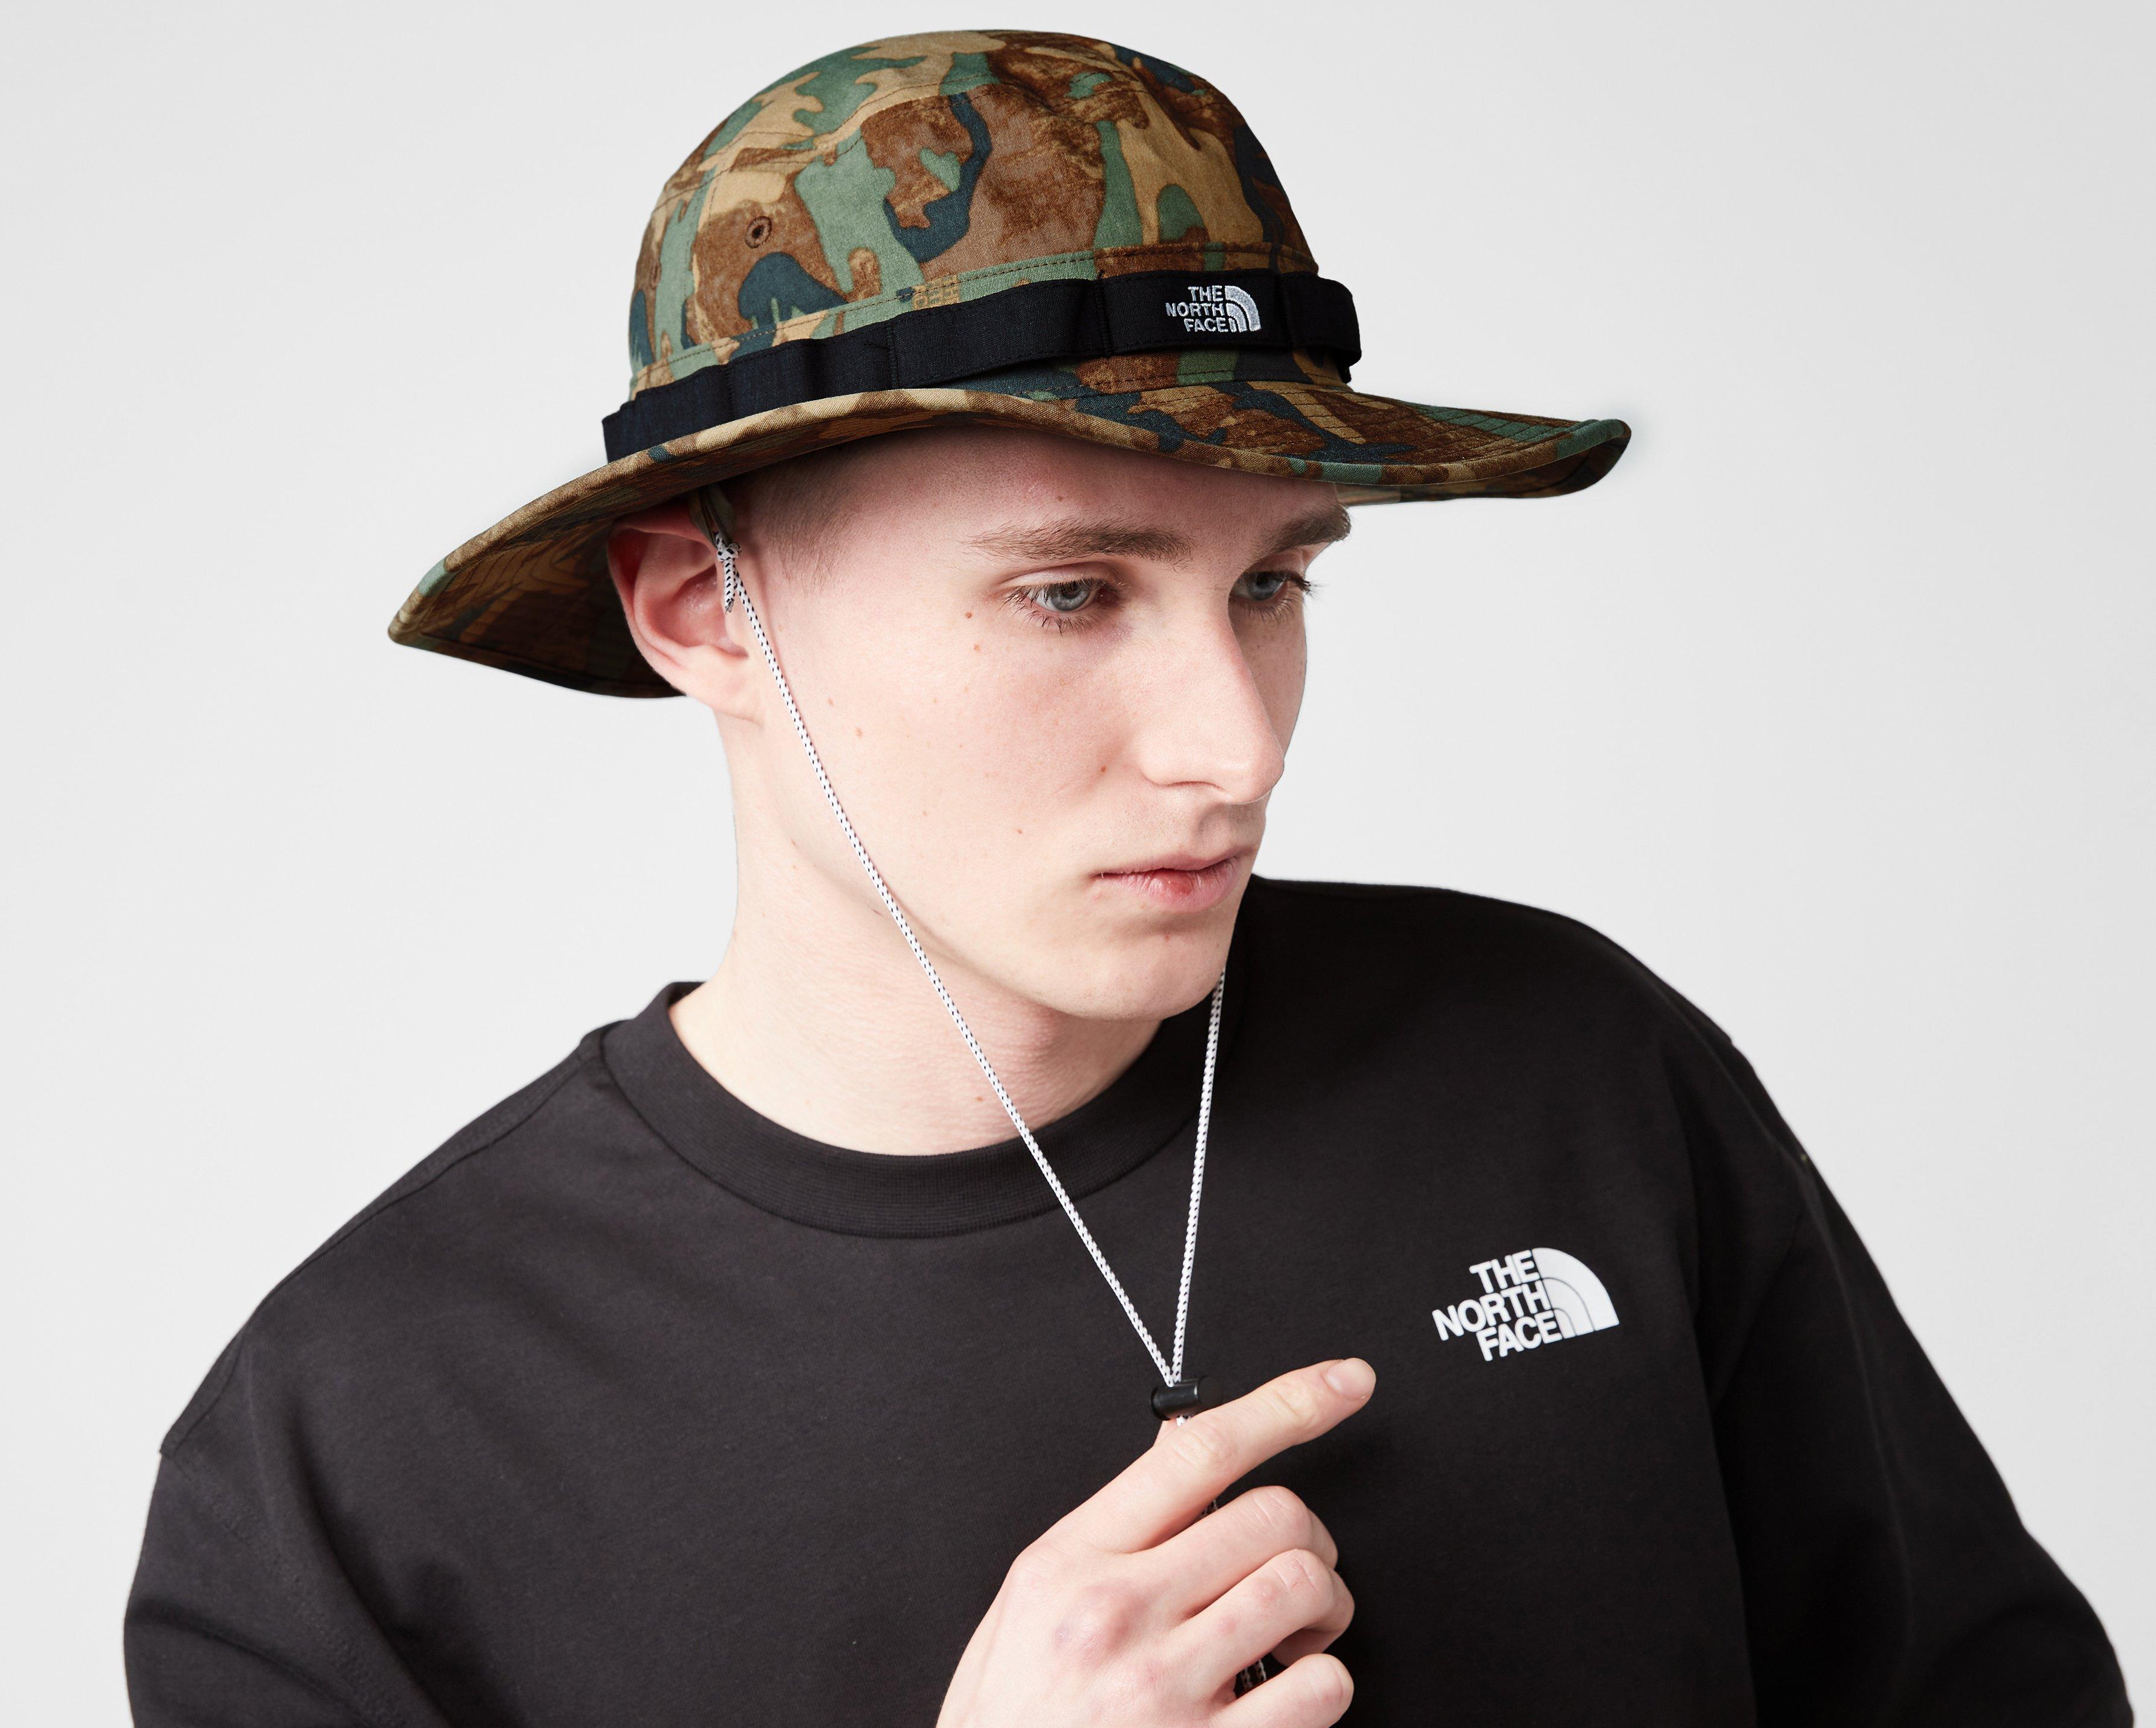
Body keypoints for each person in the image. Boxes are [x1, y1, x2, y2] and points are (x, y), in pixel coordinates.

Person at [124, 29, 2131, 1727]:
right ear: (704, 608)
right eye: (1072, 592)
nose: (1236, 749)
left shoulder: (1571, 1069)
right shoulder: (362, 1442)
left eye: (1272, 586)